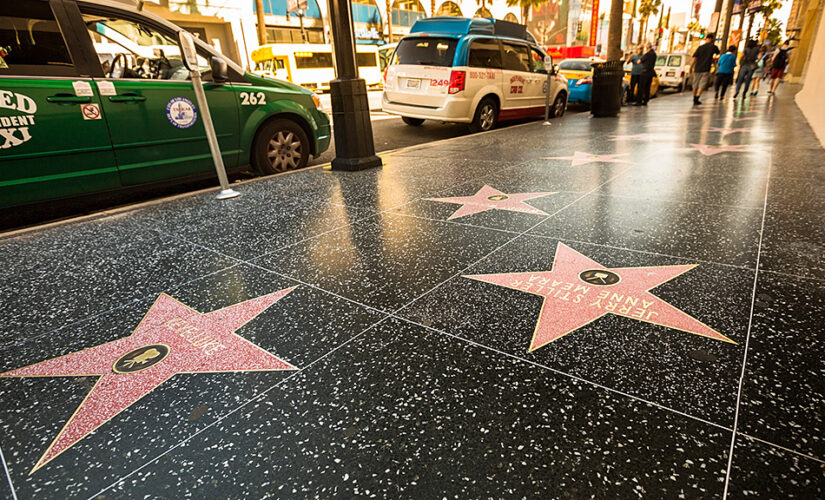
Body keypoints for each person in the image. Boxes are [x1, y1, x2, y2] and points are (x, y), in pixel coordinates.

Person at [691, 35, 720, 105]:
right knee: (702, 84)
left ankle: (694, 97)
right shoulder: (713, 47)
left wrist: (691, 67)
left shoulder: (700, 47)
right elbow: (718, 54)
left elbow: (694, 58)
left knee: (695, 83)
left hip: (697, 68)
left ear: (706, 39)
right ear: (712, 39)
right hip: (706, 68)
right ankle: (697, 98)